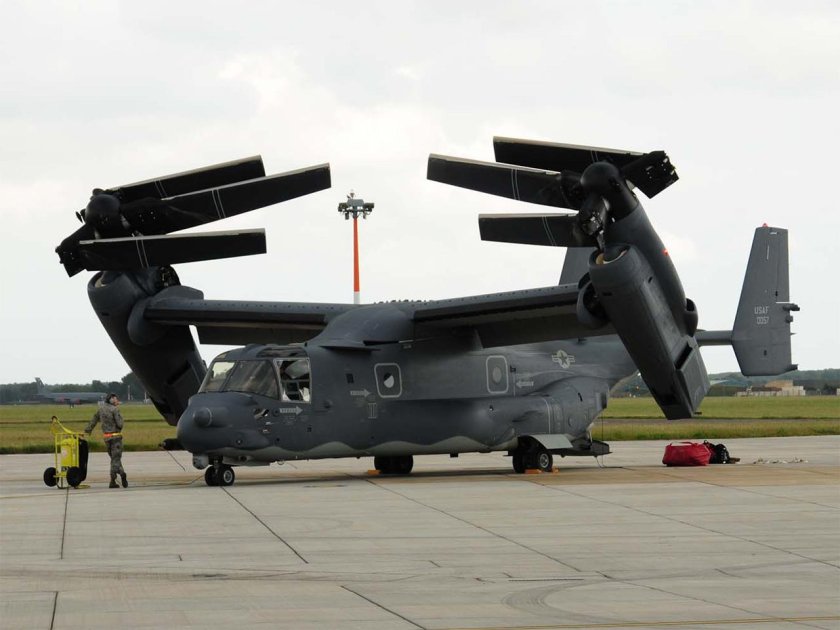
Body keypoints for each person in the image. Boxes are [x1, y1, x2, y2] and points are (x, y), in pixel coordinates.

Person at [85, 393, 127, 488]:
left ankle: (120, 475)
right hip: (116, 438)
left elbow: (93, 420)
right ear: (111, 400)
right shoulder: (115, 410)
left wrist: (88, 430)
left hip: (107, 438)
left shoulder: (101, 409)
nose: (117, 401)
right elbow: (120, 424)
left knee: (114, 459)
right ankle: (115, 478)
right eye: (116, 399)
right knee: (115, 459)